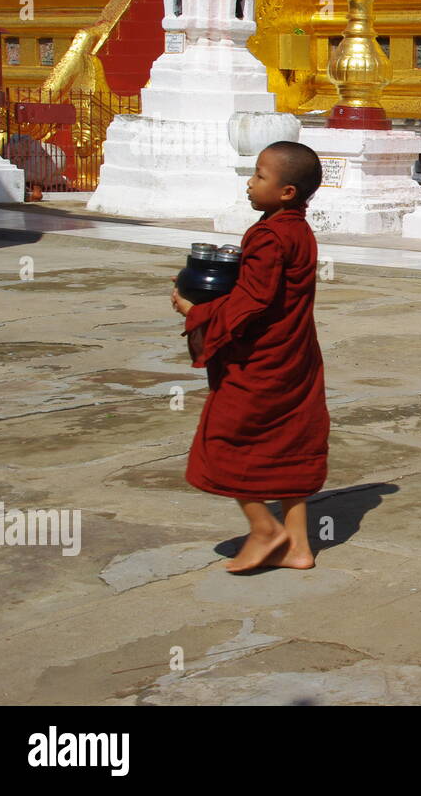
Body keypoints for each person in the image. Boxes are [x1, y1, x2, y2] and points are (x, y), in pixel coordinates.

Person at [171, 141, 329, 573]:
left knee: (223, 440)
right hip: (296, 356)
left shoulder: (270, 235)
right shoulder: (297, 229)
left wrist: (197, 312)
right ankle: (299, 547)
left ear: (287, 193)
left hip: (261, 360)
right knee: (290, 445)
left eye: (260, 176)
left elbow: (254, 301)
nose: (250, 183)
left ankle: (264, 528)